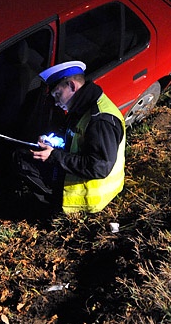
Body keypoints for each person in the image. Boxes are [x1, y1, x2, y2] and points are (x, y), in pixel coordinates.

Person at [13, 61, 125, 214]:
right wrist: (52, 142)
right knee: (26, 154)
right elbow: (76, 141)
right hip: (82, 179)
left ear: (72, 86)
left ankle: (50, 211)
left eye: (57, 94)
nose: (56, 102)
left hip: (89, 197)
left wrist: (53, 156)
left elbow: (99, 167)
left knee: (23, 161)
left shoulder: (100, 120)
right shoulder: (83, 106)